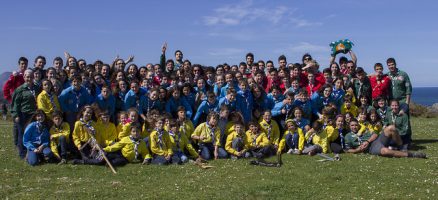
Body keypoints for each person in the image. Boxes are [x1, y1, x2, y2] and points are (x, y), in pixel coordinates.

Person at [344, 119, 425, 158]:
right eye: (352, 125)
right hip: (371, 148)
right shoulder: (348, 136)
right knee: (385, 151)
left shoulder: (364, 129)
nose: (354, 127)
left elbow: (375, 134)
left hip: (377, 140)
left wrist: (368, 141)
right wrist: (358, 150)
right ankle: (412, 154)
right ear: (349, 126)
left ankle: (402, 148)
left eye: (355, 125)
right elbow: (347, 150)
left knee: (391, 128)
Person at [11, 69, 41, 159]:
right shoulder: (20, 90)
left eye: (31, 76)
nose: (29, 78)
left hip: (34, 115)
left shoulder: (36, 87)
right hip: (23, 114)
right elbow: (15, 104)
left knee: (33, 133)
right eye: (27, 77)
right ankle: (22, 154)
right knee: (22, 133)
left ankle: (33, 152)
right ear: (24, 77)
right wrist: (16, 115)